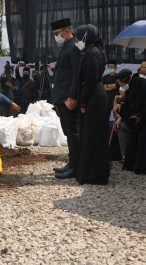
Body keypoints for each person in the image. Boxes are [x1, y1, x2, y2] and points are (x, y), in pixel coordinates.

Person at [73, 24, 110, 185]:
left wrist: (83, 102)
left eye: (78, 38)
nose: (77, 41)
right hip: (97, 95)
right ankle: (93, 172)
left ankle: (92, 174)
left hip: (93, 97)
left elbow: (89, 80)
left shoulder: (91, 54)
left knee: (91, 136)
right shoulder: (97, 52)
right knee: (94, 135)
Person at [50, 18, 83, 179]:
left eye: (57, 33)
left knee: (72, 133)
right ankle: (71, 163)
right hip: (62, 97)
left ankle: (75, 167)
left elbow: (76, 74)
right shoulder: (66, 48)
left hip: (68, 98)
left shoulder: (74, 48)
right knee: (68, 132)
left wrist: (72, 96)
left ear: (67, 31)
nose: (56, 36)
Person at [114, 69, 146, 174]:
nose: (121, 84)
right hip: (136, 120)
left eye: (121, 81)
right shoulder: (132, 87)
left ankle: (143, 168)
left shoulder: (144, 87)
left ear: (127, 79)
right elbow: (130, 103)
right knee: (132, 141)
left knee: (143, 142)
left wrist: (142, 115)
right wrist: (121, 105)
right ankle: (131, 165)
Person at [102, 60, 120, 131]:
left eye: (112, 66)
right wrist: (112, 86)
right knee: (105, 117)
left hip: (116, 99)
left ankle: (117, 130)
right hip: (107, 99)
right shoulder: (105, 77)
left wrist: (107, 86)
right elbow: (103, 87)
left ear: (116, 67)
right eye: (109, 66)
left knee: (117, 116)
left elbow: (116, 86)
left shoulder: (118, 77)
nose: (111, 68)